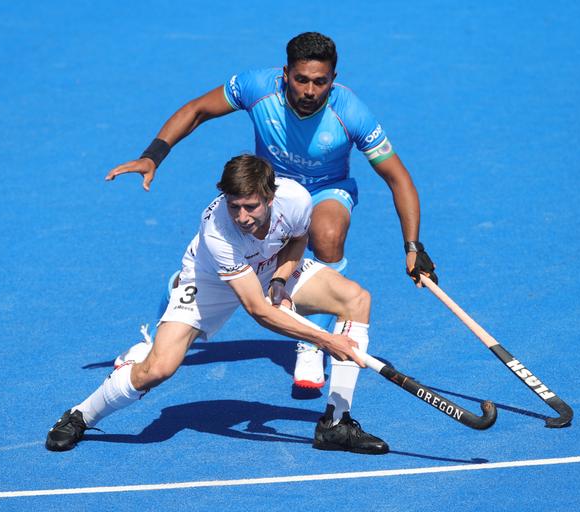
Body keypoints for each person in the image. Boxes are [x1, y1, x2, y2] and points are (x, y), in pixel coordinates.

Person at [106, 32, 437, 389]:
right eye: (302, 80)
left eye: (320, 82)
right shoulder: (256, 87)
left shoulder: (351, 113)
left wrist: (413, 246)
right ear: (285, 75)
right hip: (268, 190)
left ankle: (312, 342)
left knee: (326, 233)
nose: (310, 91)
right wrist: (153, 155)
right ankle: (162, 325)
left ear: (333, 80)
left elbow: (398, 178)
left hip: (326, 190)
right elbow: (197, 110)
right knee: (215, 271)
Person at [47, 155, 388, 454]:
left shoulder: (296, 199)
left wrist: (281, 279)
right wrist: (327, 341)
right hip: (208, 279)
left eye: (250, 206)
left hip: (269, 264)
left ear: (270, 197)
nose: (241, 216)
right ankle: (81, 415)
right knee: (158, 369)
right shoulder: (217, 230)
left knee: (356, 299)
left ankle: (336, 424)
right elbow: (258, 311)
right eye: (233, 205)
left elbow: (298, 238)